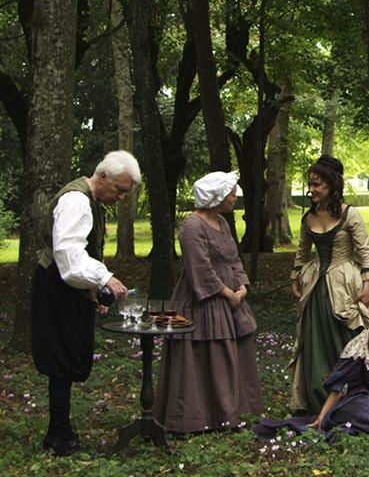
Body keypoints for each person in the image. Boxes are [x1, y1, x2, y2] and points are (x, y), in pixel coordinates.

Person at [31, 150, 140, 456]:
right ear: (103, 176)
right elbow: (69, 257)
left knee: (66, 359)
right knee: (61, 360)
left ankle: (57, 431)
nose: (120, 198)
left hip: (65, 286)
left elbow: (80, 256)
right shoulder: (77, 201)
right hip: (56, 286)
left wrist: (92, 293)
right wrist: (104, 278)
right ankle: (61, 436)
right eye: (119, 190)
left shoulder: (89, 201)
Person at [154, 171, 263, 432]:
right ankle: (197, 417)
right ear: (216, 197)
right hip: (202, 300)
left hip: (231, 297)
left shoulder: (223, 224)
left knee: (230, 354)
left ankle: (231, 413)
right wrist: (226, 292)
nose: (234, 198)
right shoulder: (192, 227)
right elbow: (199, 269)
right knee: (204, 356)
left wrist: (242, 287)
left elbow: (233, 259)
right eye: (231, 194)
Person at [254, 289, 369, 439]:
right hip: (365, 402)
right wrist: (322, 417)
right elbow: (339, 384)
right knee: (357, 410)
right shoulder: (364, 343)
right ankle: (366, 425)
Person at [288, 155, 369, 414]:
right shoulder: (308, 218)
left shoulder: (350, 214)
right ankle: (318, 398)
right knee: (314, 341)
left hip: (344, 283)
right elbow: (302, 251)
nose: (312, 189)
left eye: (317, 184)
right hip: (317, 287)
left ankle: (354, 397)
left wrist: (367, 282)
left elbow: (364, 251)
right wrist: (295, 277)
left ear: (331, 184)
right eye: (310, 184)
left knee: (348, 337)